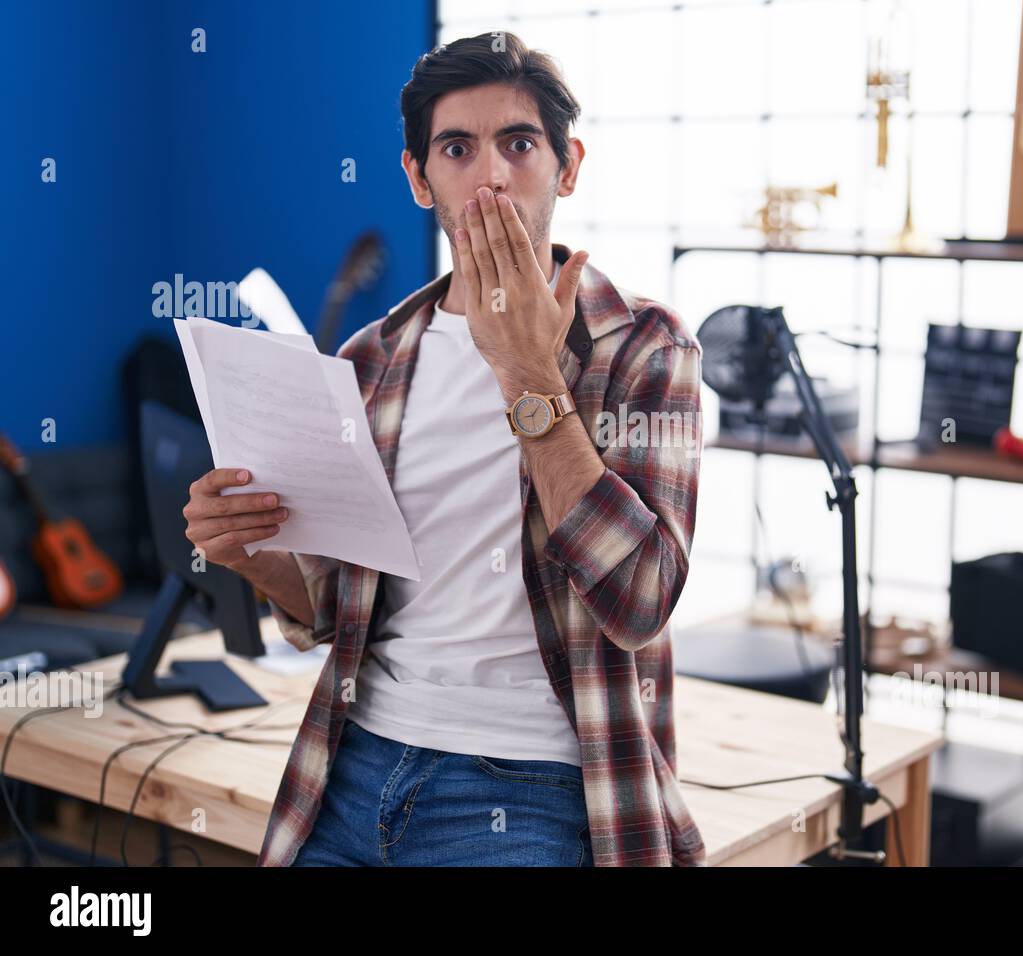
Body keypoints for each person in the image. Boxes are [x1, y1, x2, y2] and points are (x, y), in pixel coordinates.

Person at [181, 30, 706, 867]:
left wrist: (530, 372)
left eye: (519, 144)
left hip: (533, 788)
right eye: (457, 149)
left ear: (568, 166)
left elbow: (641, 599)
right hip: (349, 768)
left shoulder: (644, 346)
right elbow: (329, 606)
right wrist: (246, 549)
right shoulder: (369, 360)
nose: (491, 175)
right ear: (419, 179)